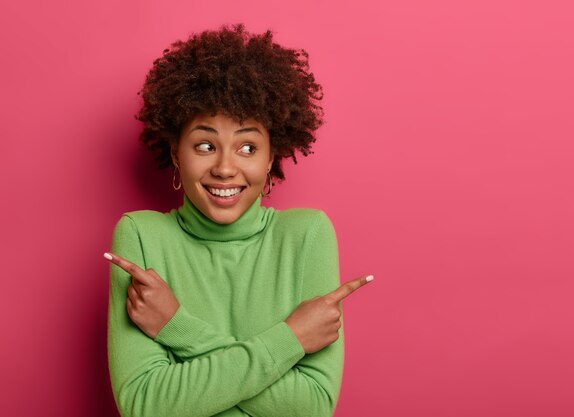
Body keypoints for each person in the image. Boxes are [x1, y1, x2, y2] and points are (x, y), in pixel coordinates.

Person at [103, 24, 373, 417]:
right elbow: (145, 405)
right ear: (176, 152)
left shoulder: (306, 235)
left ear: (270, 158)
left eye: (248, 147)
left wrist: (176, 327)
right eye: (205, 145)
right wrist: (291, 339)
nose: (226, 168)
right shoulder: (142, 236)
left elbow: (311, 407)